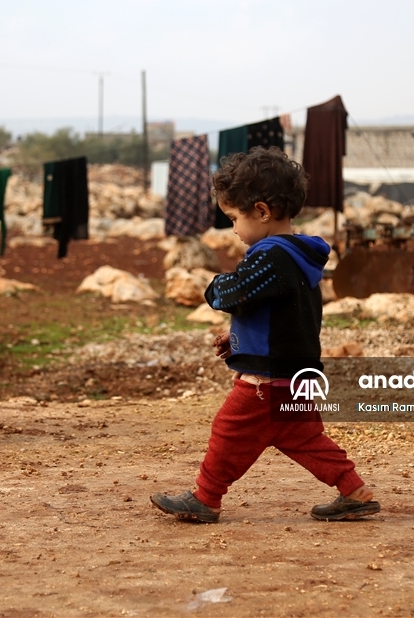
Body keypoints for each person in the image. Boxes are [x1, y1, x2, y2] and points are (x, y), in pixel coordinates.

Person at [150, 147, 379, 523]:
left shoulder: (269, 256)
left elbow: (236, 293)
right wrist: (238, 339)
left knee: (228, 429)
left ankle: (205, 498)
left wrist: (211, 287)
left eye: (234, 218)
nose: (234, 229)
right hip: (295, 374)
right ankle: (355, 491)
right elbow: (278, 314)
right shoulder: (298, 257)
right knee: (306, 440)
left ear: (261, 211)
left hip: (267, 381)